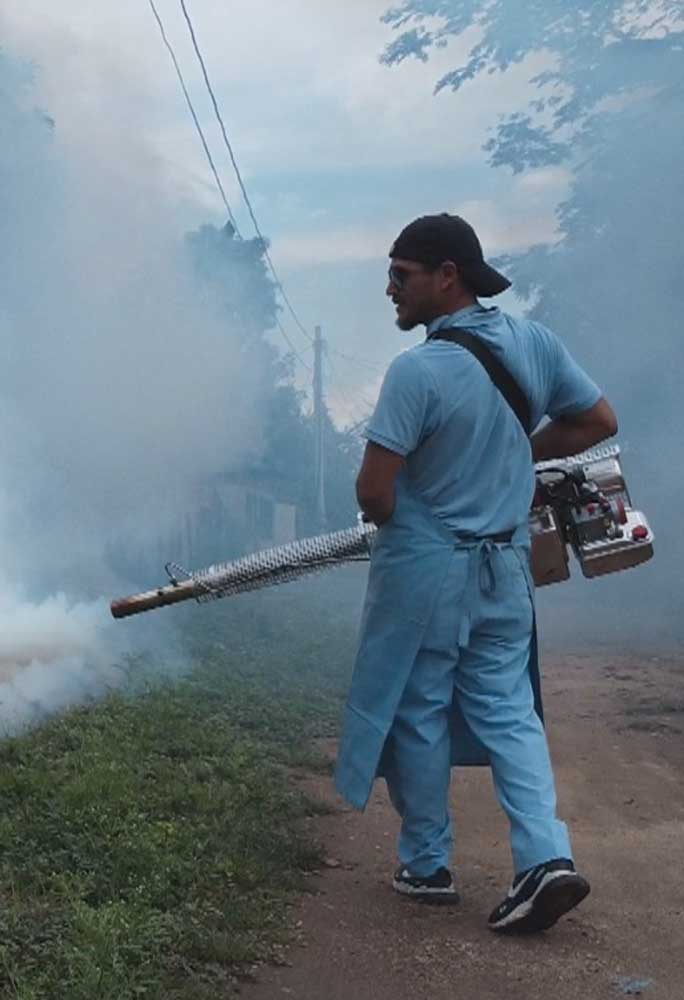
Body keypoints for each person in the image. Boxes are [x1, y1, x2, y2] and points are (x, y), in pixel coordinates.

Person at [335, 213, 618, 934]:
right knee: (509, 711)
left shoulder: (418, 371)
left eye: (401, 276)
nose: (390, 289)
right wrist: (520, 458)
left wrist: (415, 498)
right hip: (505, 571)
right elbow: (596, 420)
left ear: (446, 275)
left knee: (420, 709)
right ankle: (545, 858)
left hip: (430, 578)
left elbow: (374, 493)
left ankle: (427, 866)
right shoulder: (532, 342)